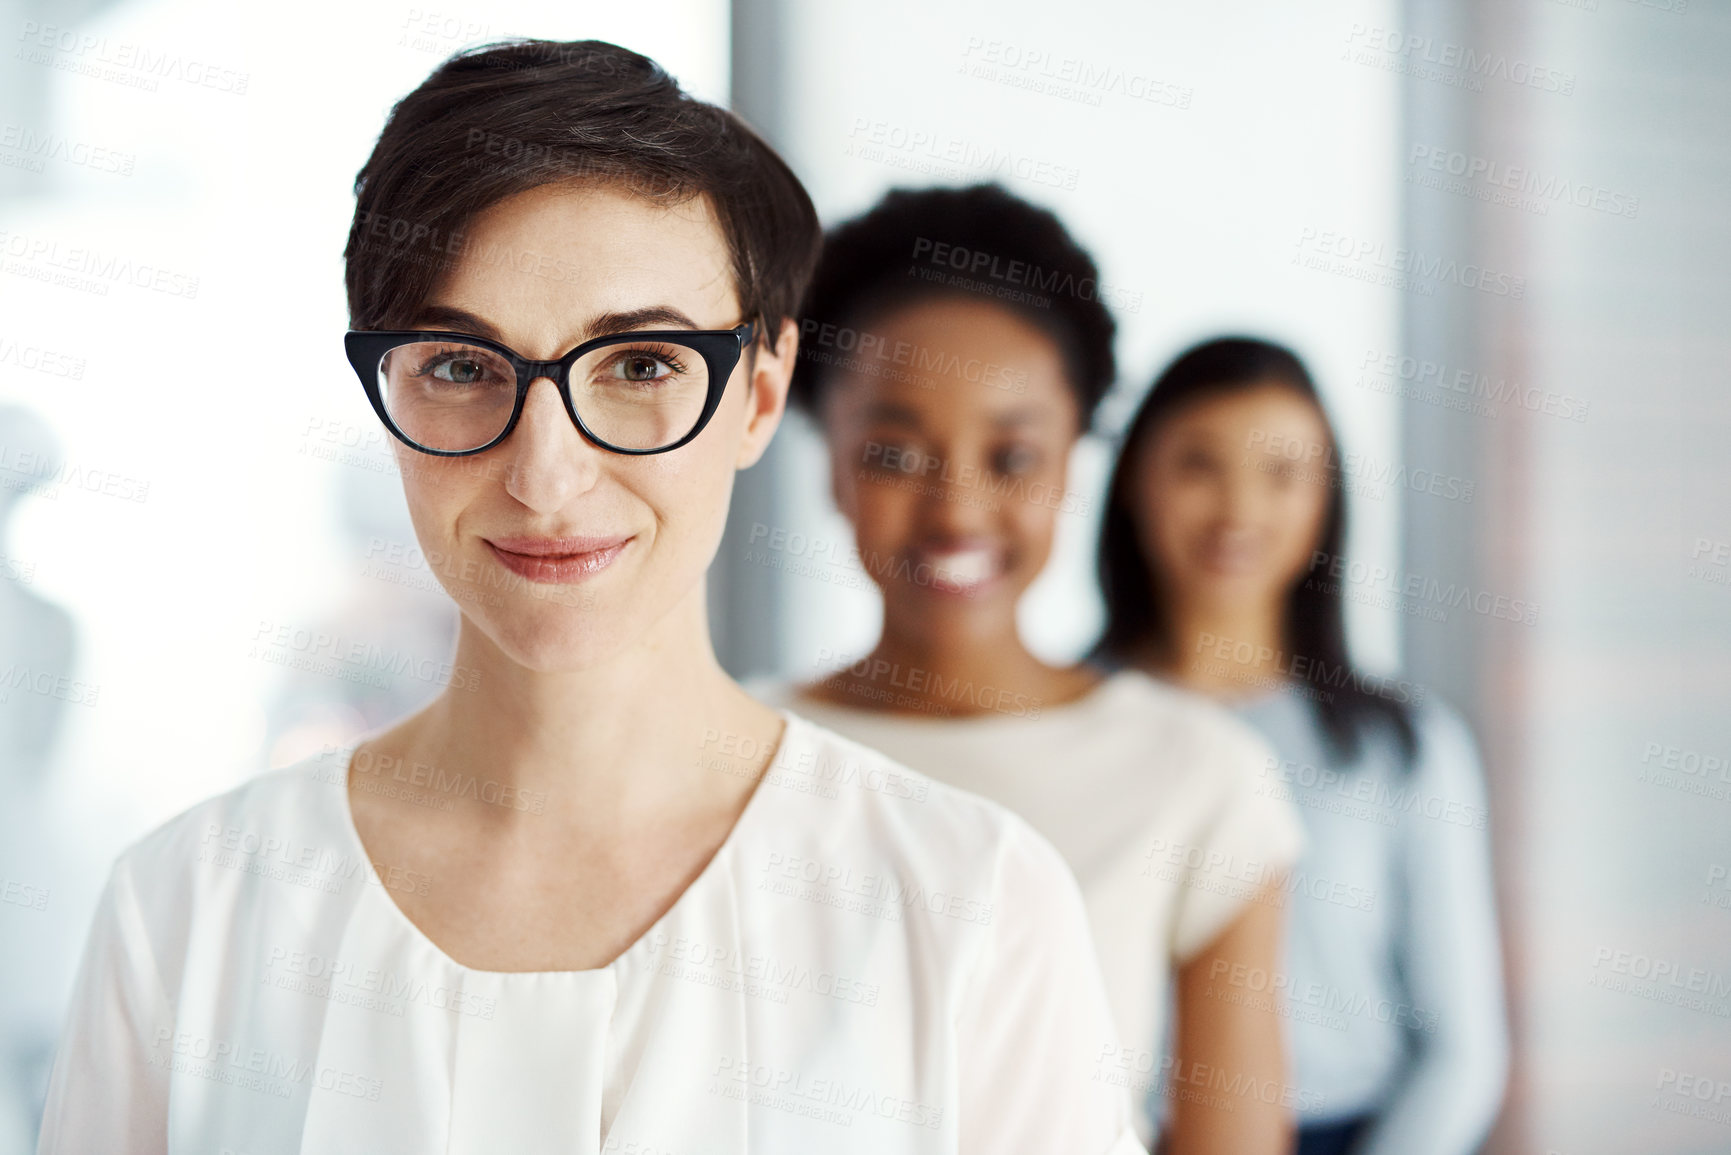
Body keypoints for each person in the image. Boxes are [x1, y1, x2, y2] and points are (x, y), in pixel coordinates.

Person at [35, 41, 1145, 1155]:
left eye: (645, 365)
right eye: (464, 368)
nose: (546, 476)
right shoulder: (192, 910)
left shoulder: (969, 908)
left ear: (759, 395)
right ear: (386, 395)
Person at [751, 184, 1306, 1155]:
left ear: (1073, 464)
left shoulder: (1200, 776)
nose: (957, 511)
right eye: (894, 452)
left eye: (1011, 457)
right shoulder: (722, 751)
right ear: (825, 455)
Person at [1090, 336, 1509, 1155]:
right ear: (1135, 480)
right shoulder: (1062, 721)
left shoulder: (1407, 747)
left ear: (1326, 499)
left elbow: (1461, 1050)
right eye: (1198, 464)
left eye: (1281, 473)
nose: (1238, 507)